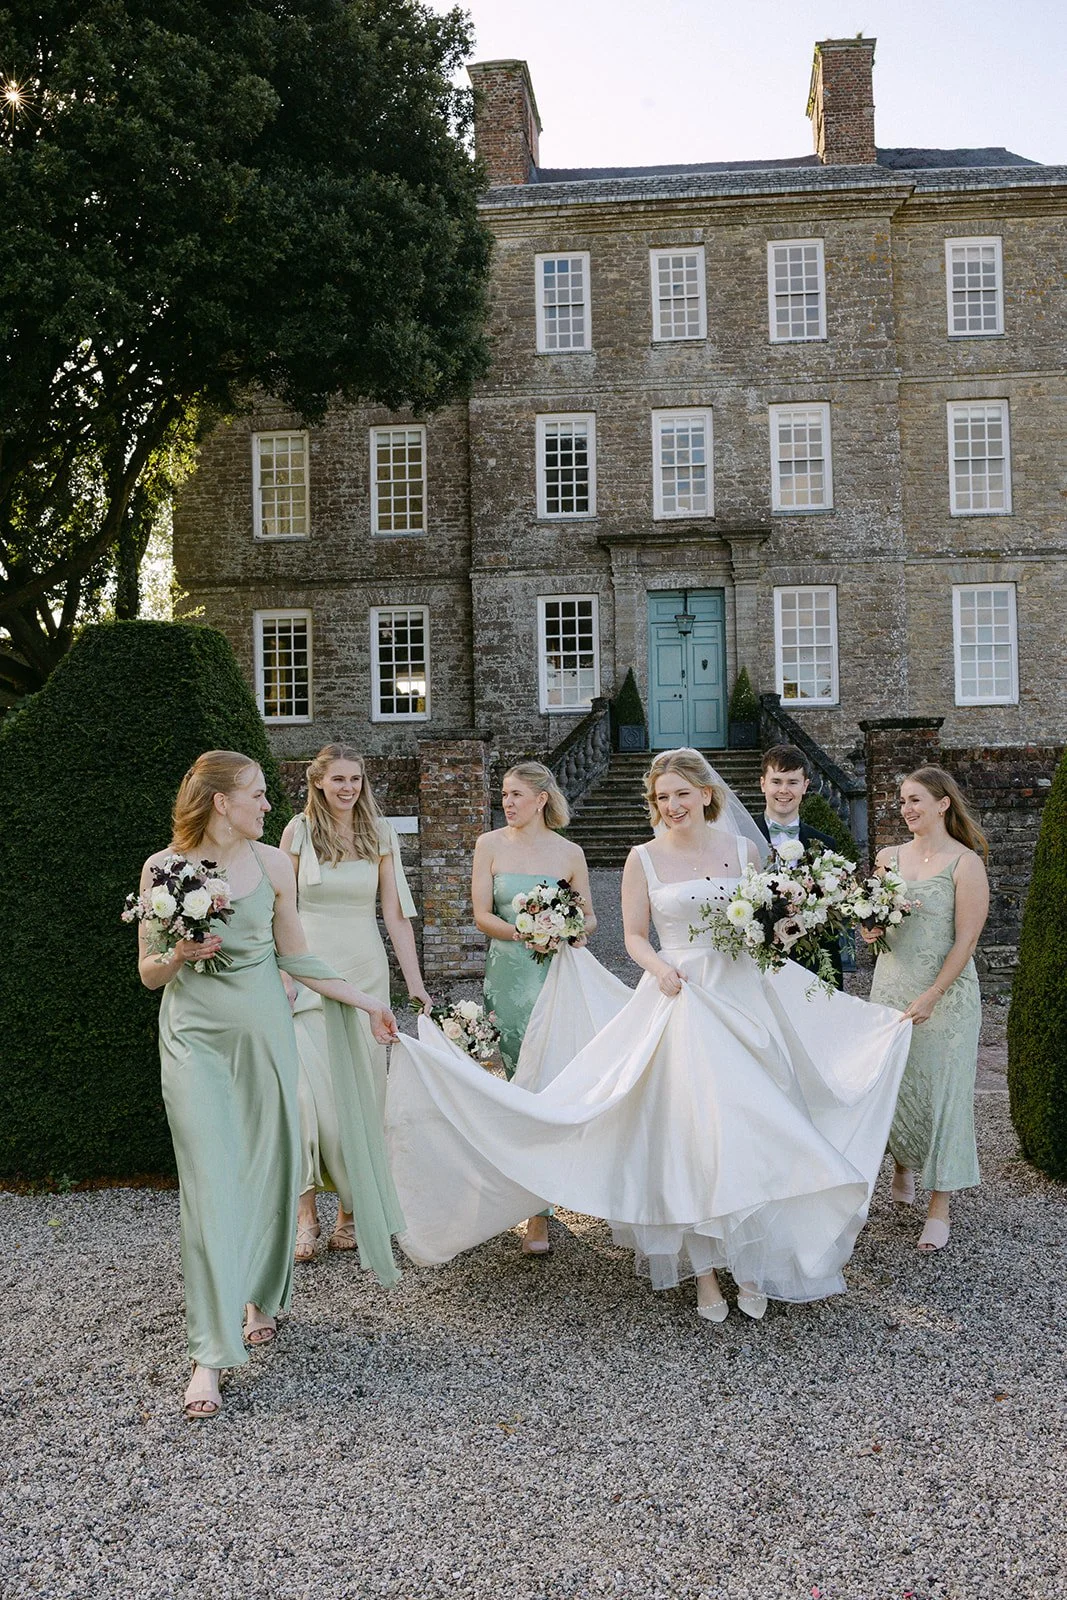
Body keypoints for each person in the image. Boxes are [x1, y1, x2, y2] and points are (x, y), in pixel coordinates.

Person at [386, 749, 912, 1320]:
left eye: (682, 793)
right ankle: (705, 1272)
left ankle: (751, 1263)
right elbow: (634, 935)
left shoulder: (745, 849)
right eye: (663, 797)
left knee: (752, 1131)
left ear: (706, 795)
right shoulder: (642, 858)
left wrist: (787, 929)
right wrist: (659, 968)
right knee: (690, 1138)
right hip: (680, 997)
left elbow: (767, 926)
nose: (673, 805)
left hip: (743, 1000)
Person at [138, 751, 402, 1422]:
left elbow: (298, 957)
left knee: (263, 1174)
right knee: (209, 1182)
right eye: (256, 795)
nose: (267, 804)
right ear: (221, 803)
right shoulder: (163, 869)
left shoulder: (276, 867)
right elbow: (147, 972)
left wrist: (367, 1002)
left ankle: (256, 1295)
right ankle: (209, 1353)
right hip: (193, 1041)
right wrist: (178, 955)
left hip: (264, 1039)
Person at [280, 745, 432, 1262]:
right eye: (339, 779)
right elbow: (284, 909)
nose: (349, 788)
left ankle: (349, 1208)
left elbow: (394, 915)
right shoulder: (296, 833)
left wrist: (414, 983)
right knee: (302, 1097)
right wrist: (283, 970)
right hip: (306, 974)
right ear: (318, 782)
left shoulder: (380, 832)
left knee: (359, 1100)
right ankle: (306, 1216)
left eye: (356, 779)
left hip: (365, 970)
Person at [861, 766, 989, 1252]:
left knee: (943, 1093)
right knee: (895, 1085)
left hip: (946, 996)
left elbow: (968, 938)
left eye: (916, 800)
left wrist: (934, 993)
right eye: (901, 802)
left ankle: (940, 1205)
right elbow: (877, 920)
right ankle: (901, 1166)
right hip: (891, 989)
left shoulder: (964, 864)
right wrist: (869, 931)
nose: (907, 809)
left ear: (942, 804)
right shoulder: (887, 858)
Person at [471, 759, 596, 1253]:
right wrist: (529, 932)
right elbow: (482, 915)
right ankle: (526, 1201)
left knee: (550, 1082)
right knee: (516, 1081)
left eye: (517, 794)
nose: (507, 802)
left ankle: (542, 1207)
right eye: (504, 794)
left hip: (554, 979)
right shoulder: (489, 845)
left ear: (542, 799)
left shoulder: (569, 853)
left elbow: (589, 919)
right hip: (508, 975)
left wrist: (566, 930)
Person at [756, 743, 843, 988]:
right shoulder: (741, 840)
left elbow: (832, 918)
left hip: (810, 964)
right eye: (777, 781)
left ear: (805, 786)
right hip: (756, 965)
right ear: (763, 784)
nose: (784, 790)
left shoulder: (826, 845)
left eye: (792, 782)